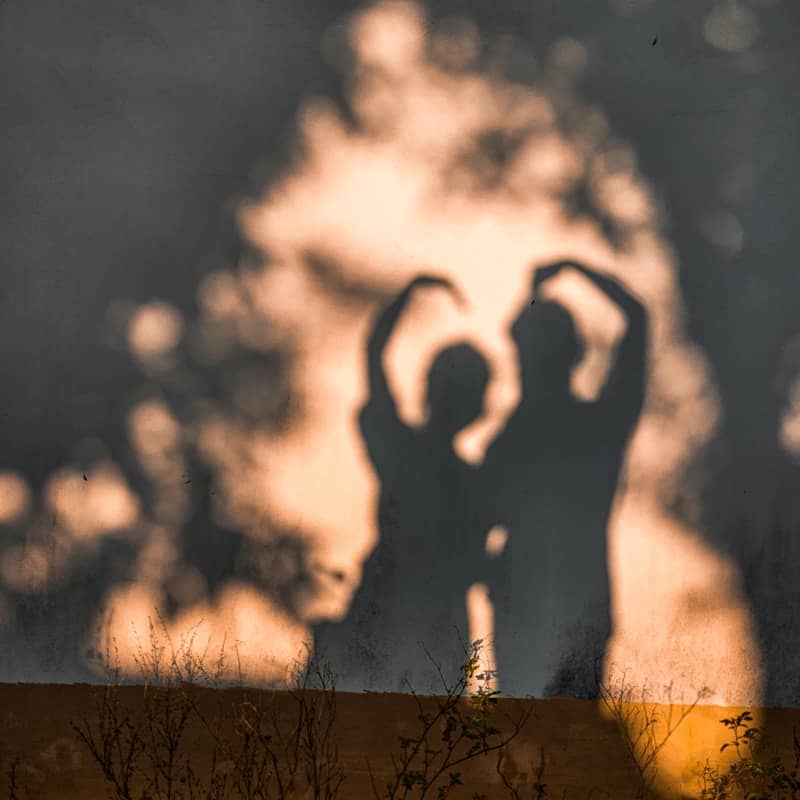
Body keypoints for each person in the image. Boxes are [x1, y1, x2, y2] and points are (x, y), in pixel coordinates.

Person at [315, 275, 494, 692]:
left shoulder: (401, 450)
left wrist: (408, 294)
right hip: (432, 629)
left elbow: (374, 353)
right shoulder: (471, 481)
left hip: (394, 616)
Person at [483, 260, 647, 698]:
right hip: (567, 602)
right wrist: (570, 273)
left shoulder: (516, 439)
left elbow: (477, 519)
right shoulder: (598, 425)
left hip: (538, 604)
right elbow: (637, 315)